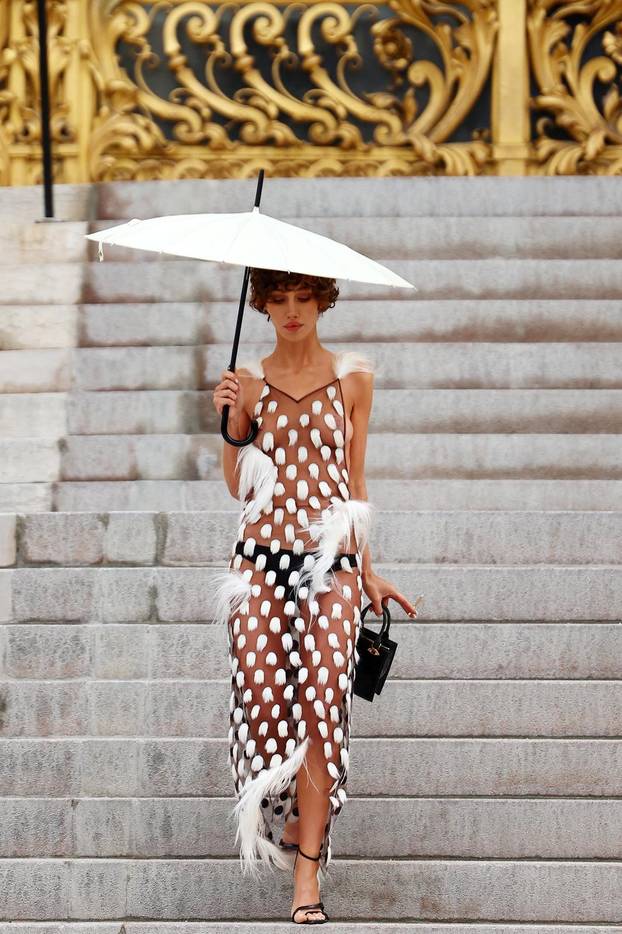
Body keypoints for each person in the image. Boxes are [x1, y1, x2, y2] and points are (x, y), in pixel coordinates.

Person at [211, 267, 420, 924]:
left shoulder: (353, 376)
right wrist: (231, 417)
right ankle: (285, 821)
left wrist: (370, 568)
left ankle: (309, 877)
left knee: (323, 705)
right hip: (259, 564)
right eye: (281, 301)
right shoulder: (245, 379)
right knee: (266, 702)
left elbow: (353, 484)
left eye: (306, 299)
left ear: (323, 303)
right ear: (264, 306)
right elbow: (236, 487)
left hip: (331, 569)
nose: (294, 311)